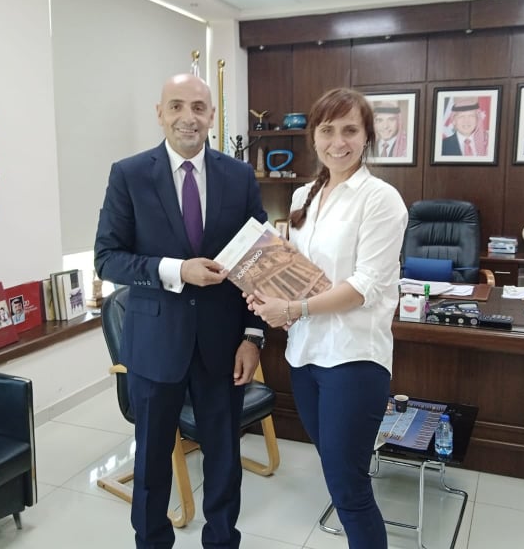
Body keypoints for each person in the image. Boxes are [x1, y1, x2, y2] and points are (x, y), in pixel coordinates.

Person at [94, 73, 266, 549]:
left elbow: (259, 261)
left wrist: (253, 336)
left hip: (223, 346)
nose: (187, 117)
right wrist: (175, 270)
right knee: (151, 465)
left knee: (224, 461)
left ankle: (222, 541)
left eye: (198, 107)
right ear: (160, 113)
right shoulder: (129, 175)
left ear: (211, 115)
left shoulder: (238, 176)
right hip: (154, 346)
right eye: (176, 106)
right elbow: (107, 258)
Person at [246, 88, 407, 549]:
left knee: (350, 490)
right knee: (338, 476)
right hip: (305, 357)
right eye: (327, 130)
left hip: (353, 360)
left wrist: (292, 309)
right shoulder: (305, 195)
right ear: (313, 137)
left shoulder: (381, 199)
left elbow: (363, 286)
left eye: (350, 130)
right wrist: (267, 293)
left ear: (367, 136)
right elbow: (297, 272)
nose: (338, 142)